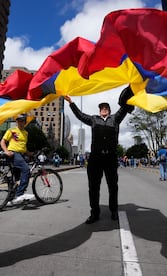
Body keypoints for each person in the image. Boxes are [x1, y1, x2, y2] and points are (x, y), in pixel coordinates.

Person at [63, 86, 133, 224]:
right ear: (99, 110)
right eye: (102, 108)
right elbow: (80, 115)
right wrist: (71, 103)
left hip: (111, 158)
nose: (104, 109)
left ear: (110, 110)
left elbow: (125, 107)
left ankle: (114, 211)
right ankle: (94, 213)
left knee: (113, 186)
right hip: (96, 158)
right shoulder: (94, 119)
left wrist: (132, 88)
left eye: (106, 107)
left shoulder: (116, 119)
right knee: (93, 187)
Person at [0, 114, 34, 204]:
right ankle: (20, 194)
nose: (20, 122)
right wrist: (6, 151)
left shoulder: (26, 133)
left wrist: (29, 153)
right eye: (18, 120)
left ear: (25, 122)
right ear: (16, 122)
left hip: (21, 155)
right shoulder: (11, 130)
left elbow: (23, 147)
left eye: (22, 120)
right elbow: (2, 141)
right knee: (26, 170)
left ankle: (10, 200)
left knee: (17, 179)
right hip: (14, 153)